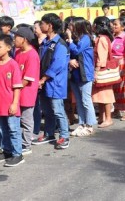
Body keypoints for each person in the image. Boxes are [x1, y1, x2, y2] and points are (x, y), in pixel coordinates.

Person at [32, 13, 70, 150]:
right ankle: (49, 133)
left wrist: (43, 79)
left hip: (55, 83)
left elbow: (57, 65)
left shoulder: (60, 44)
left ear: (50, 25)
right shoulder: (45, 42)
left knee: (58, 110)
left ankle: (64, 136)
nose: (40, 26)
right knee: (47, 111)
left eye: (42, 23)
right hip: (44, 83)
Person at [0, 34, 24, 166]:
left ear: (8, 48)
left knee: (13, 129)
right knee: (1, 129)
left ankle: (17, 154)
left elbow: (17, 87)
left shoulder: (13, 65)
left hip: (10, 103)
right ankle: (7, 150)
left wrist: (14, 103)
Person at [65, 17, 96, 136]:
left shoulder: (86, 38)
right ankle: (82, 123)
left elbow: (77, 50)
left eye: (72, 26)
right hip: (75, 73)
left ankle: (89, 125)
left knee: (86, 100)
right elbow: (67, 53)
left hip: (85, 73)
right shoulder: (74, 39)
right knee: (78, 101)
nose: (69, 28)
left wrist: (70, 40)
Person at [13, 27, 40, 154]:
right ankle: (19, 142)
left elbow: (27, 79)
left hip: (27, 92)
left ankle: (26, 144)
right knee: (18, 119)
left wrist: (15, 89)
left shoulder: (32, 55)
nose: (14, 40)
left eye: (16, 37)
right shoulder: (18, 52)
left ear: (23, 39)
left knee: (26, 119)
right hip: (17, 91)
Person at [91, 17, 116, 128]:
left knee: (105, 96)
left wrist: (96, 71)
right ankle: (102, 117)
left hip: (102, 71)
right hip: (103, 70)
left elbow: (102, 58)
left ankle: (108, 118)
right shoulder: (104, 37)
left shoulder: (101, 39)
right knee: (100, 96)